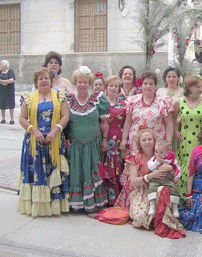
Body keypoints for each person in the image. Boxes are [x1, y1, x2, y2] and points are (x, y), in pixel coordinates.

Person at [17, 67, 70, 217]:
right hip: (34, 141)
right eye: (40, 79)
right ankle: (37, 204)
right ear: (36, 82)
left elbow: (65, 116)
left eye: (46, 78)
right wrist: (34, 130)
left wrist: (55, 131)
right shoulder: (28, 98)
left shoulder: (60, 96)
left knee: (52, 169)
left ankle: (53, 205)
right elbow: (22, 119)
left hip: (54, 140)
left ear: (51, 80)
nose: (44, 81)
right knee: (36, 170)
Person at [126, 127, 185, 238]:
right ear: (139, 142)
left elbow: (174, 173)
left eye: (150, 139)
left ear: (154, 141)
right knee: (142, 217)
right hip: (144, 190)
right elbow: (133, 182)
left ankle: (166, 218)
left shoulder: (163, 154)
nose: (147, 142)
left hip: (162, 187)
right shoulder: (135, 158)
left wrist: (170, 169)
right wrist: (150, 176)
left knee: (163, 190)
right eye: (144, 140)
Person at [66, 66, 109, 211]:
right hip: (75, 144)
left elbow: (104, 122)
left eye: (85, 82)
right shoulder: (68, 100)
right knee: (76, 172)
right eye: (80, 82)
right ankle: (77, 204)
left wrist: (104, 140)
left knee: (91, 171)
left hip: (93, 144)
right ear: (75, 83)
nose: (83, 85)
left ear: (90, 83)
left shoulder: (98, 99)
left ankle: (93, 203)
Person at [173, 75, 202, 201]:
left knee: (199, 166)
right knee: (186, 166)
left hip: (201, 140)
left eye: (200, 87)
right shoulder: (179, 101)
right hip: (185, 141)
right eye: (196, 87)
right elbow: (173, 118)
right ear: (189, 87)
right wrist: (176, 131)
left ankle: (199, 196)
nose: (199, 89)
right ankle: (183, 198)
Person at [120, 71, 174, 153]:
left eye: (151, 84)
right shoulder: (133, 101)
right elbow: (127, 123)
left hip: (157, 145)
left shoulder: (163, 102)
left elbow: (169, 124)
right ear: (141, 85)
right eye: (145, 83)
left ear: (155, 86)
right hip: (136, 144)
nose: (148, 86)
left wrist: (168, 143)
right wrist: (124, 139)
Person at [103, 75, 126, 206]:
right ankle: (106, 198)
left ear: (119, 88)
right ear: (106, 87)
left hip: (118, 138)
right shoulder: (101, 103)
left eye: (115, 86)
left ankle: (117, 198)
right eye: (110, 85)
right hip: (105, 137)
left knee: (119, 167)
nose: (113, 88)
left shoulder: (124, 103)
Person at [147, 140, 180, 217]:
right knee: (151, 187)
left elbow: (177, 168)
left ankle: (175, 208)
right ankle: (152, 206)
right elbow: (150, 167)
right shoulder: (154, 159)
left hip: (168, 180)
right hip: (156, 179)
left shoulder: (171, 159)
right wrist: (157, 162)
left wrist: (177, 177)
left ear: (167, 152)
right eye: (156, 152)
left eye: (161, 152)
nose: (158, 154)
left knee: (174, 188)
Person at [0, 60, 15, 124]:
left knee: (11, 105)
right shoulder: (0, 72)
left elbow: (11, 80)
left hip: (9, 91)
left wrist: (2, 81)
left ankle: (12, 119)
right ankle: (3, 119)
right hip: (2, 91)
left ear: (6, 65)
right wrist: (4, 82)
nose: (0, 66)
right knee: (2, 105)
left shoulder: (10, 71)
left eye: (1, 64)